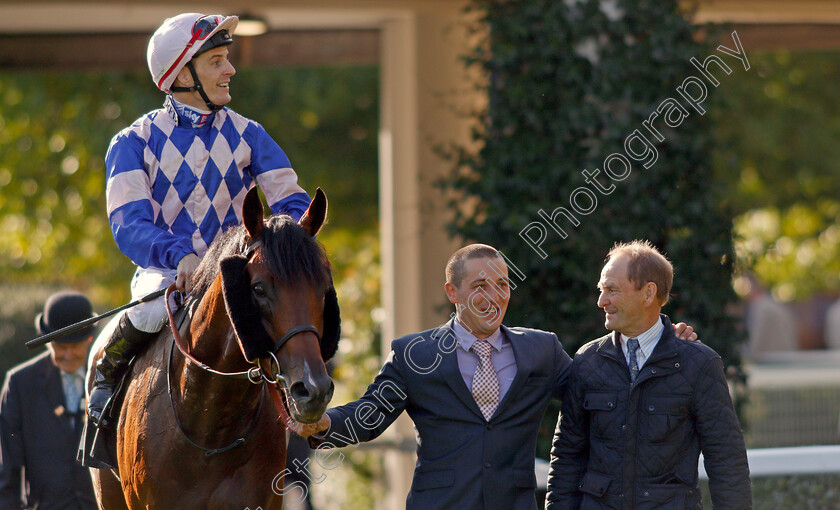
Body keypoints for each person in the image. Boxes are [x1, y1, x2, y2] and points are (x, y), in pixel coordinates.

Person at [293, 244, 696, 510]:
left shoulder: (542, 350)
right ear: (453, 293)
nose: (495, 295)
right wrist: (321, 423)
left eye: (502, 284)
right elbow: (368, 416)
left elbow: (602, 388)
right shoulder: (416, 355)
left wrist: (658, 340)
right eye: (480, 285)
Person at [88, 13, 311, 428]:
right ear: (180, 72)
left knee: (295, 313)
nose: (230, 70)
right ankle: (105, 390)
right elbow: (128, 224)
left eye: (226, 59)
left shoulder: (251, 134)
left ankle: (302, 410)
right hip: (167, 274)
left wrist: (289, 239)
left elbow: (291, 200)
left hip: (237, 274)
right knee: (151, 311)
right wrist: (180, 258)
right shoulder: (132, 142)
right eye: (216, 61)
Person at [545, 240, 751, 509]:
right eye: (601, 289)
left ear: (648, 293)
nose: (601, 301)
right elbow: (567, 457)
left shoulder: (699, 364)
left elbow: (727, 461)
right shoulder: (587, 360)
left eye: (612, 290)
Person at [0, 291, 98, 509]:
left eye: (75, 346)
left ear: (89, 338)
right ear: (47, 341)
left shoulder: (110, 378)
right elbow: (7, 467)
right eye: (60, 346)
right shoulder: (19, 384)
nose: (68, 354)